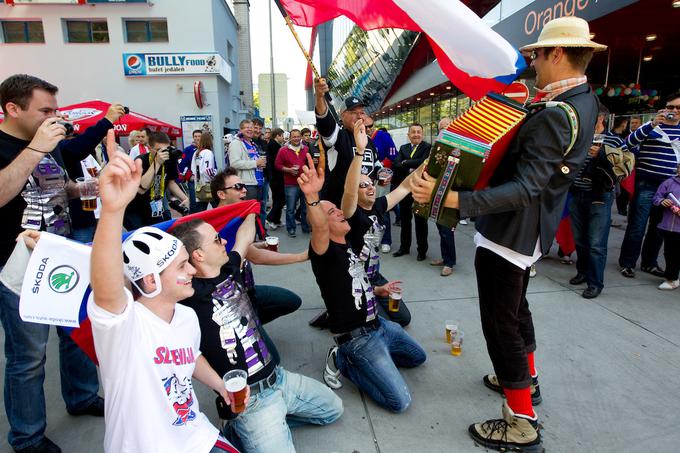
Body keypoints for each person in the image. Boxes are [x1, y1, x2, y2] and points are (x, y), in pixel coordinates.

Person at [411, 16, 602, 451]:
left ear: (557, 53)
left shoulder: (558, 113)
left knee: (501, 325)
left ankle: (521, 420)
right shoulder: (583, 100)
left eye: (537, 52)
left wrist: (456, 199)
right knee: (516, 312)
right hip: (530, 231)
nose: (532, 59)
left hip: (511, 233)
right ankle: (527, 379)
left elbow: (526, 188)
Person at [88, 137, 239, 453]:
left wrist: (221, 386)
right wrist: (112, 211)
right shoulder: (124, 326)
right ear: (150, 278)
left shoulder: (185, 315)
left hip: (196, 434)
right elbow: (106, 289)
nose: (193, 272)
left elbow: (191, 355)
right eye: (182, 266)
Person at [172, 217, 342, 453]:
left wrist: (250, 209)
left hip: (279, 379)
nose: (223, 241)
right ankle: (241, 428)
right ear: (198, 255)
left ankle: (267, 428)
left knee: (334, 409)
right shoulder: (187, 296)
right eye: (216, 239)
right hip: (250, 401)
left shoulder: (229, 267)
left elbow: (244, 238)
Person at [0, 74, 104, 453]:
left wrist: (83, 188)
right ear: (13, 108)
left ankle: (82, 397)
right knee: (28, 357)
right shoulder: (19, 144)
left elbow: (55, 187)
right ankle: (27, 438)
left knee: (74, 337)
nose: (54, 117)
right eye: (45, 109)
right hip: (18, 266)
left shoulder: (50, 143)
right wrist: (35, 150)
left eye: (55, 109)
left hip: (61, 254)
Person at [300, 153, 426, 412]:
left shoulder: (347, 245)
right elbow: (324, 222)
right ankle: (344, 361)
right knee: (399, 402)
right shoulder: (324, 250)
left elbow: (356, 278)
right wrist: (312, 196)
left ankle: (378, 359)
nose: (340, 213)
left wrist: (378, 289)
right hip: (358, 339)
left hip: (379, 326)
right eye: (332, 212)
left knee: (418, 358)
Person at [210, 168, 305, 324]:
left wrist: (260, 245)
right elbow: (257, 258)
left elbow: (243, 250)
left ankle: (254, 321)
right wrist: (303, 256)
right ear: (221, 194)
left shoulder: (234, 218)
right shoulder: (221, 224)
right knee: (267, 347)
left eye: (243, 185)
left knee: (291, 301)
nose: (245, 190)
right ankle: (248, 325)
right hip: (231, 298)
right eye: (238, 187)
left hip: (247, 289)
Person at [619, 92, 680, 278]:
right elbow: (626, 145)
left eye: (679, 108)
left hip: (670, 186)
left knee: (659, 227)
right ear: (664, 108)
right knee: (637, 225)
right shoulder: (650, 126)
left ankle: (649, 262)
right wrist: (652, 124)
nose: (674, 111)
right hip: (646, 182)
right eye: (671, 107)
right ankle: (628, 263)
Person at [568, 102, 619, 299]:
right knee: (580, 239)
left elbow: (619, 169)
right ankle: (583, 272)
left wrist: (602, 154)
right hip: (577, 193)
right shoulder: (580, 136)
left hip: (600, 197)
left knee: (596, 243)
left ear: (600, 118)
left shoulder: (613, 140)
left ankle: (595, 282)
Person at [314, 79, 382, 206]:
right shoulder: (338, 136)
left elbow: (375, 164)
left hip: (364, 206)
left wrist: (382, 173)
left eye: (361, 112)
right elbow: (325, 121)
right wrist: (319, 97)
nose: (359, 116)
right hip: (339, 207)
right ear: (342, 116)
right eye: (353, 112)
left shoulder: (369, 141)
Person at [123, 131, 189, 230]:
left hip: (155, 206)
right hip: (134, 209)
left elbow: (171, 182)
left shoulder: (169, 160)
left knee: (158, 234)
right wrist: (157, 162)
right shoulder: (140, 160)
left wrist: (184, 198)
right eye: (159, 150)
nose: (163, 153)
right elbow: (142, 187)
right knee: (142, 237)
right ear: (149, 148)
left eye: (165, 150)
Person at [392, 123, 431, 261]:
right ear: (408, 135)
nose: (416, 134)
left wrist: (405, 163)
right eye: (413, 132)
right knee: (405, 220)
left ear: (422, 134)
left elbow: (422, 162)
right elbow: (395, 163)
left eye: (418, 132)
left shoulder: (427, 147)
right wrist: (409, 166)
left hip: (420, 190)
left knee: (421, 222)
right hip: (405, 190)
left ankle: (422, 251)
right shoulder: (403, 148)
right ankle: (404, 248)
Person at [429, 117, 457, 277]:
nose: (444, 130)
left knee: (446, 228)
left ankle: (449, 262)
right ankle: (445, 257)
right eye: (441, 128)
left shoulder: (458, 146)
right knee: (440, 226)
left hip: (450, 192)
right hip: (437, 189)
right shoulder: (437, 147)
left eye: (447, 126)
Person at [228, 120, 267, 225]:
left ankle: (257, 234)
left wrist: (261, 164)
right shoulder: (236, 143)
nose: (249, 129)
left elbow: (255, 160)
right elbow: (234, 163)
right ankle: (249, 239)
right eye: (246, 127)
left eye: (251, 127)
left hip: (258, 182)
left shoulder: (252, 143)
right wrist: (255, 163)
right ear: (240, 130)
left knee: (256, 213)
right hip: (247, 183)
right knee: (249, 214)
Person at [275, 129, 311, 237]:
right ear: (290, 138)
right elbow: (277, 165)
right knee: (290, 208)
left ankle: (306, 227)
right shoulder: (283, 150)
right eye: (294, 136)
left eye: (298, 136)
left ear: (300, 137)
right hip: (290, 184)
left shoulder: (306, 149)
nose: (296, 138)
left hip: (304, 182)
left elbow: (309, 164)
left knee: (305, 207)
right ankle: (291, 228)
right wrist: (288, 170)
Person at [652, 163, 680, 290]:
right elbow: (656, 197)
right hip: (668, 226)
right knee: (670, 252)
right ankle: (672, 278)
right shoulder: (669, 182)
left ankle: (673, 277)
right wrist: (662, 201)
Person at [265, 128, 285, 230]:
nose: (283, 137)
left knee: (278, 198)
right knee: (280, 199)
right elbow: (276, 163)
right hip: (276, 177)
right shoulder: (274, 146)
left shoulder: (274, 145)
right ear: (277, 135)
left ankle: (276, 219)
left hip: (275, 177)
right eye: (282, 135)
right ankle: (270, 218)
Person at [191, 132, 217, 212]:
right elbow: (208, 170)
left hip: (199, 185)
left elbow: (193, 169)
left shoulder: (196, 152)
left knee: (200, 210)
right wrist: (215, 176)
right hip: (209, 185)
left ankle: (198, 224)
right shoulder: (208, 152)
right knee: (218, 208)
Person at [179, 129, 202, 213]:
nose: (197, 138)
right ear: (193, 137)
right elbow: (181, 164)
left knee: (203, 202)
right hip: (193, 180)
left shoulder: (206, 149)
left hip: (204, 181)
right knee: (194, 203)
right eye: (195, 136)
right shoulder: (188, 150)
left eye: (199, 136)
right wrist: (189, 175)